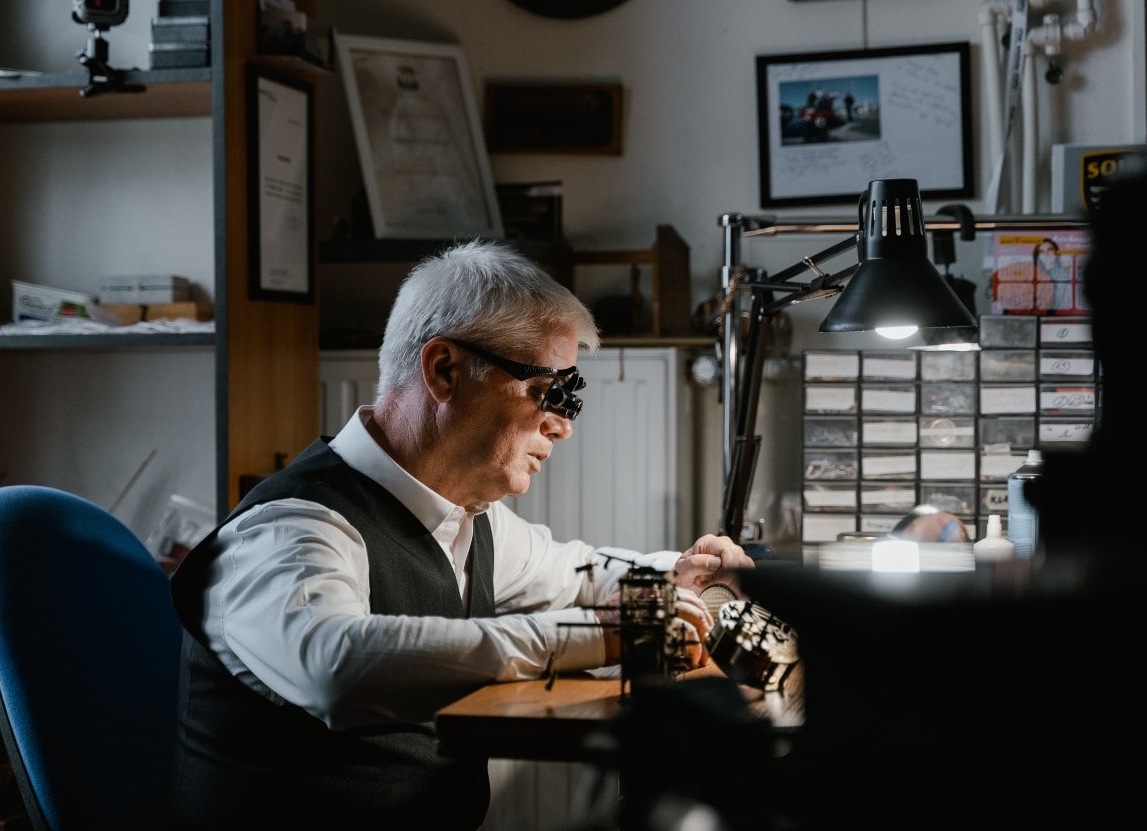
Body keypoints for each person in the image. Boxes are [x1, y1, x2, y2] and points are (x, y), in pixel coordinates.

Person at [166, 239, 755, 830]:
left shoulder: (466, 519)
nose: (562, 425)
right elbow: (335, 664)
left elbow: (579, 572)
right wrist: (599, 635)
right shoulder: (287, 528)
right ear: (444, 370)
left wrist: (683, 573)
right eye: (549, 391)